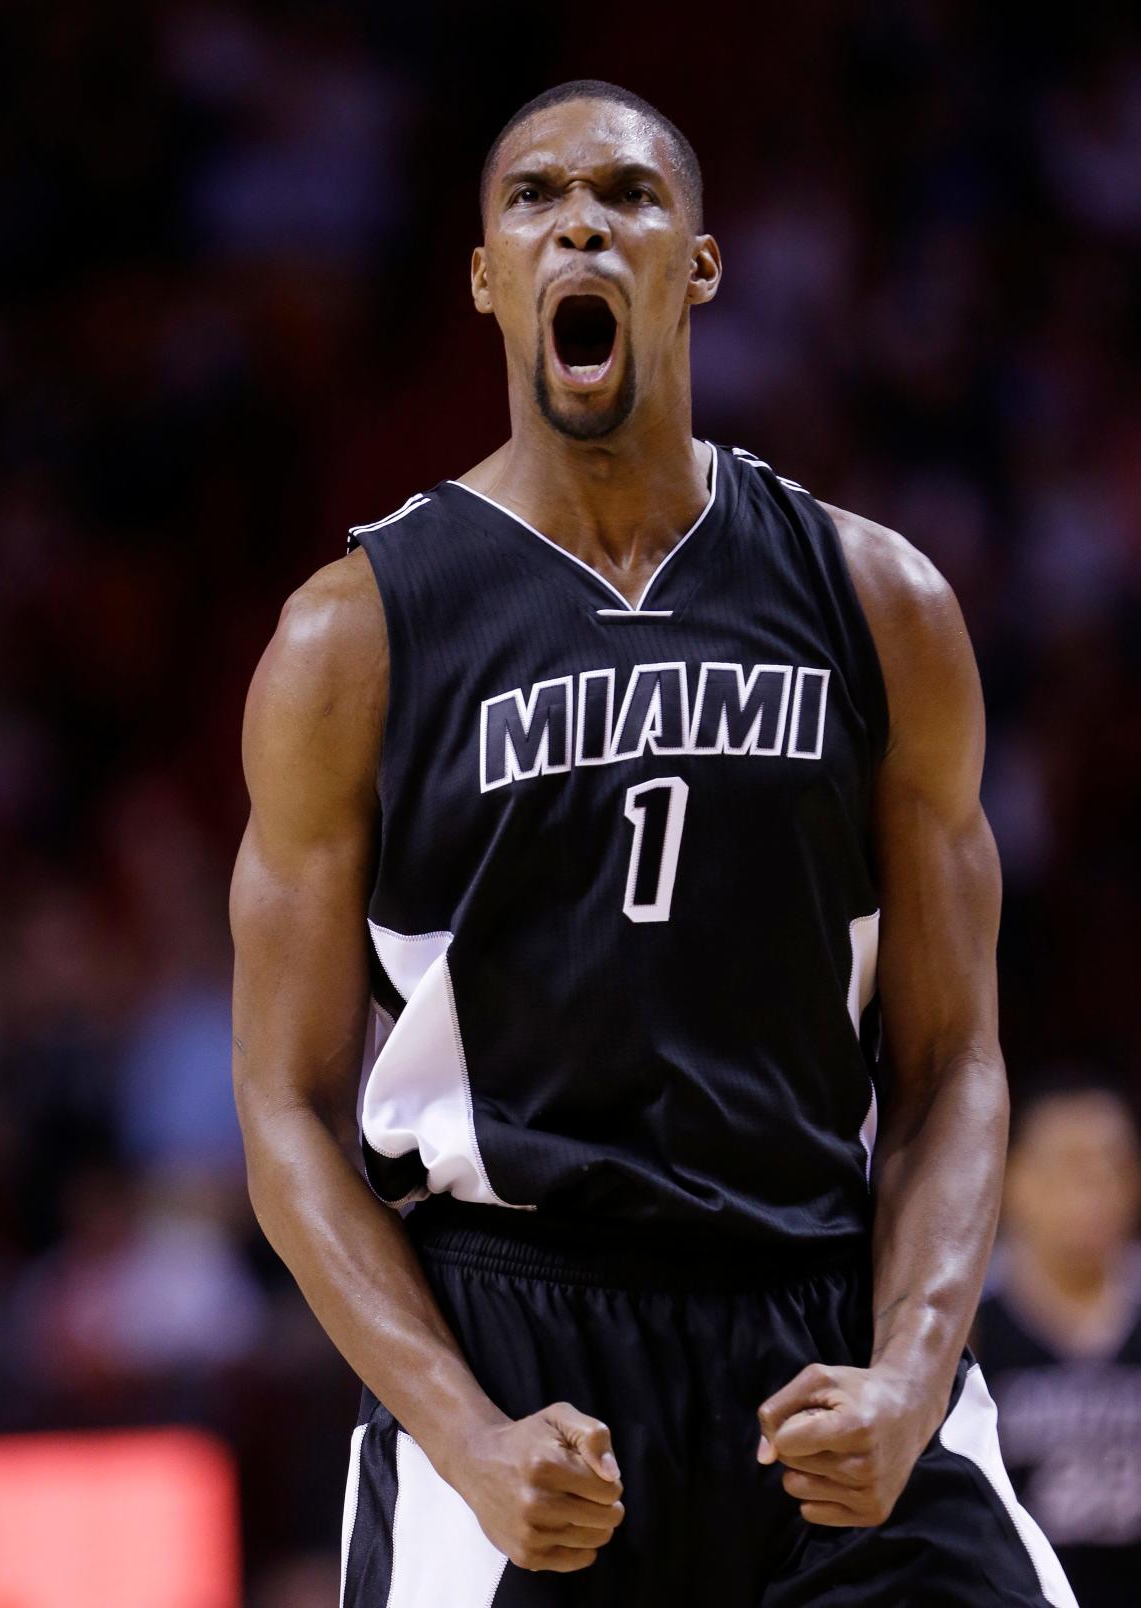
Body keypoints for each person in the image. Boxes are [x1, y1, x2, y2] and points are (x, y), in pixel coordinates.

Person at [229, 79, 1077, 1605]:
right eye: (534, 196)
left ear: (695, 263)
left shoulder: (879, 605)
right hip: (512, 1343)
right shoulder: (348, 643)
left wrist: (905, 1375)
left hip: (818, 1315)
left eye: (627, 196)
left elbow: (951, 1064)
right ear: (488, 277)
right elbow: (286, 1114)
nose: (582, 224)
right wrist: (465, 1435)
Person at [975, 1080, 1141, 1606]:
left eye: (1110, 1166)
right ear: (1014, 1179)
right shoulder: (964, 1323)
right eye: (1070, 1166)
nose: (1092, 1187)